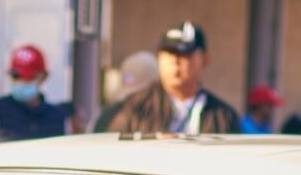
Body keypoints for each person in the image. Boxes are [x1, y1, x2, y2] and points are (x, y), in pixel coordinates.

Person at [95, 21, 240, 135]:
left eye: (185, 54)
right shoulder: (132, 109)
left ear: (205, 59)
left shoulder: (223, 116)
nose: (175, 61)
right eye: (169, 53)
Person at [0, 45, 74, 145]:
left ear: (43, 76)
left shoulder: (59, 119)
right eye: (16, 76)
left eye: (27, 76)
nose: (20, 81)